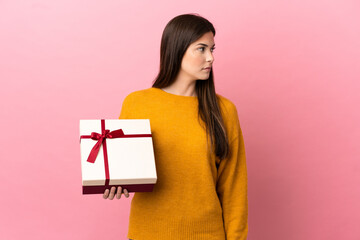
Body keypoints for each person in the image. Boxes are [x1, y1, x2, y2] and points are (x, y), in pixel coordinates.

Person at [103, 13, 248, 240]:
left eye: (212, 49)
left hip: (207, 235)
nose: (210, 58)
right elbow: (126, 168)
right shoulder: (137, 103)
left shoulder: (224, 110)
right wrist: (116, 182)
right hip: (146, 233)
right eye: (201, 49)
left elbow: (234, 188)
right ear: (177, 49)